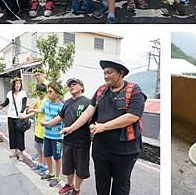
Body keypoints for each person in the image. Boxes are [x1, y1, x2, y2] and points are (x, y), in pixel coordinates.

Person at [62, 59, 146, 195]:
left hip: (125, 150)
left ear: (121, 73)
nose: (106, 76)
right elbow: (89, 111)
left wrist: (103, 127)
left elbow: (133, 116)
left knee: (121, 183)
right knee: (101, 182)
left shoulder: (134, 90)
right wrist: (71, 128)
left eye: (109, 72)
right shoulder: (101, 90)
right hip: (101, 149)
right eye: (104, 73)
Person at [44, 78, 91, 195]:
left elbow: (90, 120)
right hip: (68, 141)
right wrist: (48, 123)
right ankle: (70, 185)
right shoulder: (67, 102)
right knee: (68, 166)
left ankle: (77, 189)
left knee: (80, 168)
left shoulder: (88, 102)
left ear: (81, 87)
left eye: (74, 84)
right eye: (69, 85)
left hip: (82, 142)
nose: (71, 86)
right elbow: (60, 117)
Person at [38, 82, 64, 187]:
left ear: (57, 93)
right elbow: (43, 114)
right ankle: (50, 173)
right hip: (47, 135)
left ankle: (57, 177)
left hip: (57, 137)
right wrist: (43, 120)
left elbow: (58, 120)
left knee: (57, 157)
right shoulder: (46, 103)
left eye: (51, 91)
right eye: (48, 91)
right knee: (47, 154)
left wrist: (45, 123)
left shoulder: (61, 106)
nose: (48, 94)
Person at [0, 77, 28, 160]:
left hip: (19, 117)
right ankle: (15, 152)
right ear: (13, 85)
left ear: (21, 85)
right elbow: (6, 102)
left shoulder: (23, 93)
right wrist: (0, 106)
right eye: (16, 83)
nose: (17, 85)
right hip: (10, 116)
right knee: (12, 135)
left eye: (19, 83)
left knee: (20, 135)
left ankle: (21, 154)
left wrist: (21, 112)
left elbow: (24, 104)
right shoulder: (10, 93)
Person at [24, 83, 49, 176]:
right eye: (38, 93)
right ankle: (40, 164)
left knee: (43, 150)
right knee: (38, 148)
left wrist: (32, 110)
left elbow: (42, 110)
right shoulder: (39, 99)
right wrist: (26, 115)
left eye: (41, 93)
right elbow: (34, 111)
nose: (39, 94)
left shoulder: (46, 100)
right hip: (38, 128)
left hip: (44, 129)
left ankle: (45, 166)